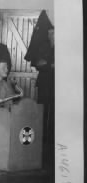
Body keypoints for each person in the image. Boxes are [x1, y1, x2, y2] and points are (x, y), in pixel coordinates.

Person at [35, 27, 55, 170]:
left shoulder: (63, 46)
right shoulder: (43, 46)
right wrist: (51, 65)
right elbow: (38, 63)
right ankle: (41, 141)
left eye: (53, 32)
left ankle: (52, 142)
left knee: (54, 112)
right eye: (48, 33)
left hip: (57, 84)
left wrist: (46, 64)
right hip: (43, 83)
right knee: (42, 110)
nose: (50, 35)